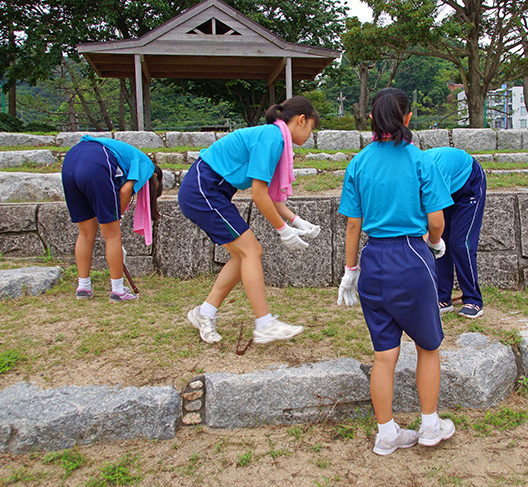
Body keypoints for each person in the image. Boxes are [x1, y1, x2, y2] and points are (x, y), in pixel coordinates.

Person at [337, 88, 455, 456]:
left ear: (372, 118)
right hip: (410, 256)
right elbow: (436, 221)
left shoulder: (358, 163)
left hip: (373, 260)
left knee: (384, 354)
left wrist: (350, 270)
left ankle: (386, 432)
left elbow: (353, 226)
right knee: (428, 346)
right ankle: (430, 425)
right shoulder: (420, 160)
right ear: (407, 118)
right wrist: (435, 243)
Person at [179, 96, 321, 345]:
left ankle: (205, 312)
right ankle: (264, 323)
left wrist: (296, 221)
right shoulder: (272, 138)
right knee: (252, 250)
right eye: (311, 127)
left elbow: (266, 193)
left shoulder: (273, 136)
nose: (310, 134)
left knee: (242, 255)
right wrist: (282, 230)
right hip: (204, 189)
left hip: (211, 189)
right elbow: (258, 194)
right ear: (301, 120)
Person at [62, 136, 163, 302]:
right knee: (112, 235)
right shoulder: (147, 165)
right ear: (155, 177)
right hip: (96, 161)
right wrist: (116, 219)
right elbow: (124, 192)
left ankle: (84, 287)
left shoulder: (127, 157)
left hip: (71, 161)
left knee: (85, 233)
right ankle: (118, 291)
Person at [425, 147, 486, 318]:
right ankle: (443, 297)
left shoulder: (434, 171)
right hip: (447, 187)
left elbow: (432, 213)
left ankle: (473, 300)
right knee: (439, 241)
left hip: (468, 183)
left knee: (460, 243)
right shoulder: (409, 177)